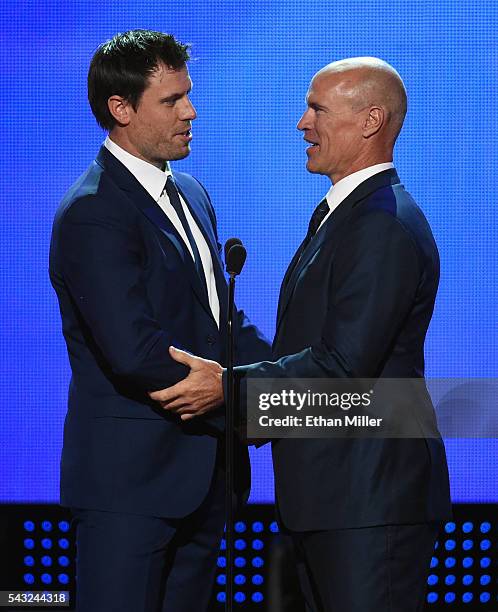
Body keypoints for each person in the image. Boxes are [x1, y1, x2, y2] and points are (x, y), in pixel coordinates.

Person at [151, 57, 452, 611]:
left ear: (370, 121)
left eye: (317, 109)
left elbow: (344, 369)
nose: (301, 124)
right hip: (336, 502)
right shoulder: (348, 216)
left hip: (368, 504)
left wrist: (229, 390)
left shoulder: (381, 225)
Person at [49, 29, 270, 612]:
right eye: (172, 101)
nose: (191, 112)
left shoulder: (191, 193)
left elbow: (219, 317)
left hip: (207, 481)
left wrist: (284, 371)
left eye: (188, 95)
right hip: (132, 489)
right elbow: (136, 351)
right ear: (119, 109)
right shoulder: (94, 212)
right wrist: (239, 395)